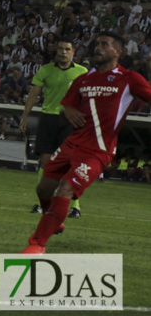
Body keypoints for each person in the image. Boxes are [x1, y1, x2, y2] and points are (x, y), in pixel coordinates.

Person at [22, 31, 151, 254]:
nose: (97, 48)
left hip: (98, 150)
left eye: (104, 44)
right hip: (71, 144)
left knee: (65, 189)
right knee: (43, 189)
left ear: (117, 52)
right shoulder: (83, 79)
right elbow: (65, 110)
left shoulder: (129, 79)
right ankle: (54, 220)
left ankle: (37, 244)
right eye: (96, 44)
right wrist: (68, 111)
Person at [18, 40, 88, 216]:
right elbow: (34, 94)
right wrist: (25, 117)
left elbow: (89, 98)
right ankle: (42, 203)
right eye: (60, 49)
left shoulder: (82, 72)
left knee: (70, 163)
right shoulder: (45, 70)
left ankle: (75, 206)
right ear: (56, 51)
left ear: (73, 52)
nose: (63, 52)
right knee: (45, 161)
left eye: (67, 49)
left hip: (71, 120)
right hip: (49, 118)